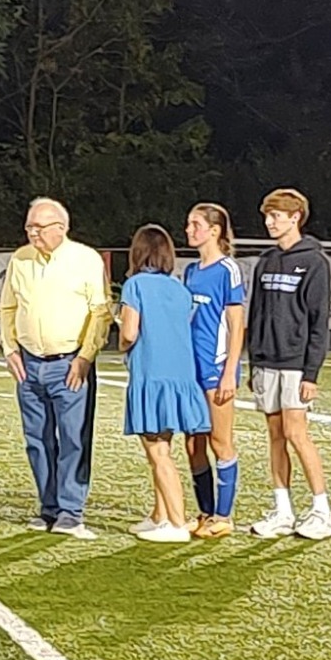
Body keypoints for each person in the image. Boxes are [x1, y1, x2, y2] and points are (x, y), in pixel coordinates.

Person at [0, 197, 110, 538]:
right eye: (29, 227)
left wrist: (85, 357)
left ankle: (71, 510)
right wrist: (10, 348)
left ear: (61, 228)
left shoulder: (85, 259)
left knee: (74, 439)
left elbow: (100, 312)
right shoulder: (20, 259)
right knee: (37, 440)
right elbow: (7, 307)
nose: (32, 233)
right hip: (29, 363)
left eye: (39, 227)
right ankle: (48, 507)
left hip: (69, 364)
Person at [245, 188, 331, 541]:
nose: (269, 223)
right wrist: (254, 362)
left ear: (295, 217)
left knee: (297, 433)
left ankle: (322, 511)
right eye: (267, 217)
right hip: (266, 362)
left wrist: (311, 373)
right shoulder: (266, 261)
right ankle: (283, 510)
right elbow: (256, 313)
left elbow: (318, 320)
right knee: (275, 436)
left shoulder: (314, 262)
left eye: (276, 216)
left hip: (295, 363)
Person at [118, 226, 212, 544]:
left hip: (152, 374)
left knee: (158, 453)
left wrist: (120, 342)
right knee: (164, 446)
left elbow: (130, 332)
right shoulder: (178, 287)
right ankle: (159, 515)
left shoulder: (135, 285)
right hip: (180, 375)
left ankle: (176, 521)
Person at [181, 203, 246, 538]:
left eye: (195, 224)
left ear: (214, 230)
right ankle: (205, 511)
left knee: (221, 440)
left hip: (216, 367)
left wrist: (229, 371)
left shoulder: (228, 270)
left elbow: (237, 324)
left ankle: (223, 515)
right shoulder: (191, 270)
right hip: (190, 369)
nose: (189, 230)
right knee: (193, 444)